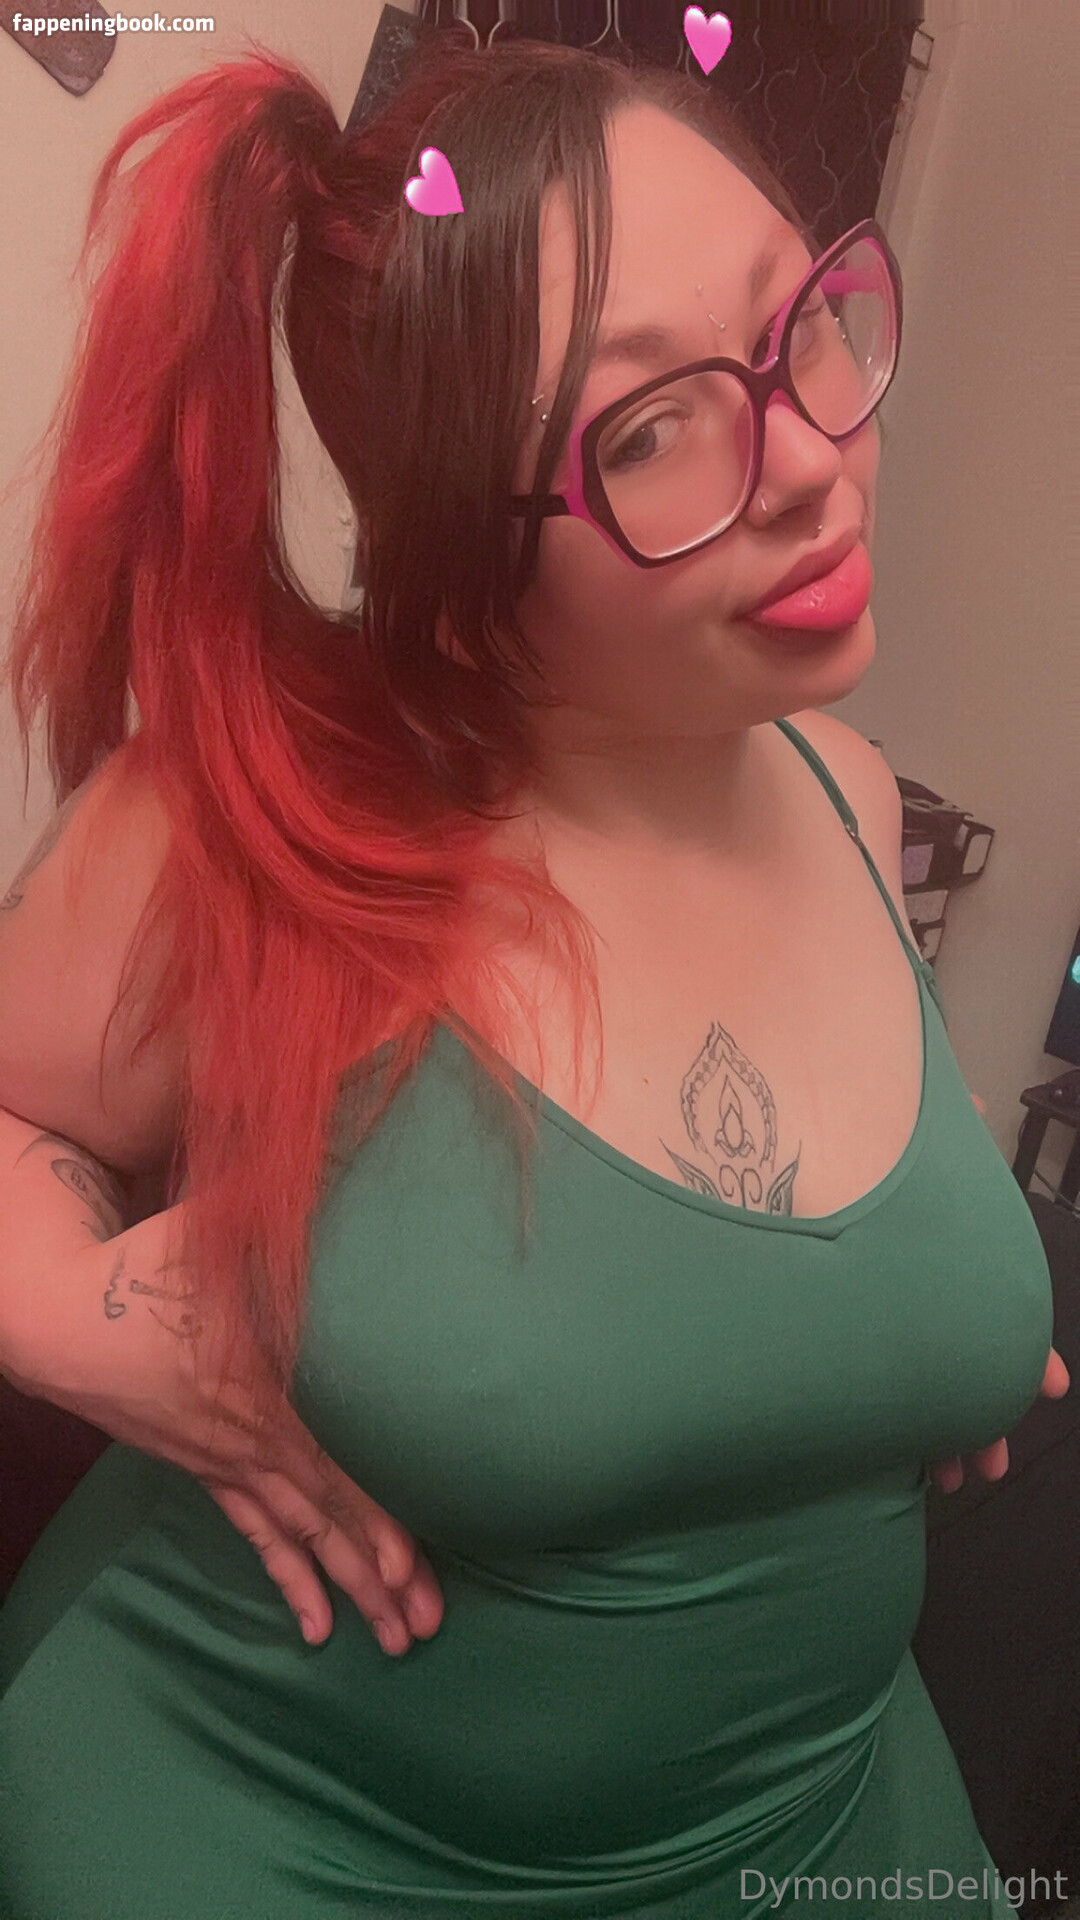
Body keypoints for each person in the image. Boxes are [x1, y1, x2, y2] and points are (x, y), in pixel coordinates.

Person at [0, 33, 1066, 1920]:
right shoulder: (242, 827)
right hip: (294, 1838)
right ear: (456, 553)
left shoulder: (844, 785)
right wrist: (76, 1316)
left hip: (825, 1827)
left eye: (803, 324)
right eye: (651, 432)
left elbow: (727, 1236)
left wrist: (912, 1331)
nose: (811, 463)